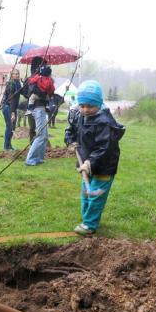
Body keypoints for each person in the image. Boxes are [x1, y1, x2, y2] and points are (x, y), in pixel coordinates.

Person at [65, 80, 125, 236]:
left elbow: (104, 148)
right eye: (82, 105)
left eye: (90, 106)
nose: (85, 109)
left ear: (99, 104)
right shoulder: (79, 116)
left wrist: (89, 162)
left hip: (104, 165)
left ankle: (90, 225)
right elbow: (70, 130)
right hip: (87, 164)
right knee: (86, 192)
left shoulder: (104, 123)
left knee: (96, 196)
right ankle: (87, 219)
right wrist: (70, 141)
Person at [25, 57, 50, 166]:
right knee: (40, 135)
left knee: (44, 135)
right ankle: (30, 159)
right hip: (37, 108)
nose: (46, 67)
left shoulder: (43, 78)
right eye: (43, 65)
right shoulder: (33, 79)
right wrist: (44, 92)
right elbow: (30, 93)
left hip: (42, 108)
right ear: (38, 66)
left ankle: (38, 158)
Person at [1, 69, 22, 151]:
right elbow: (11, 99)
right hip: (7, 107)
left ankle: (9, 146)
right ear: (12, 75)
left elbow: (22, 92)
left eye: (18, 74)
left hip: (13, 108)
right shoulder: (11, 84)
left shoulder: (18, 83)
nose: (16, 75)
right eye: (15, 74)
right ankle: (6, 147)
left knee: (12, 127)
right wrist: (12, 112)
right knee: (9, 127)